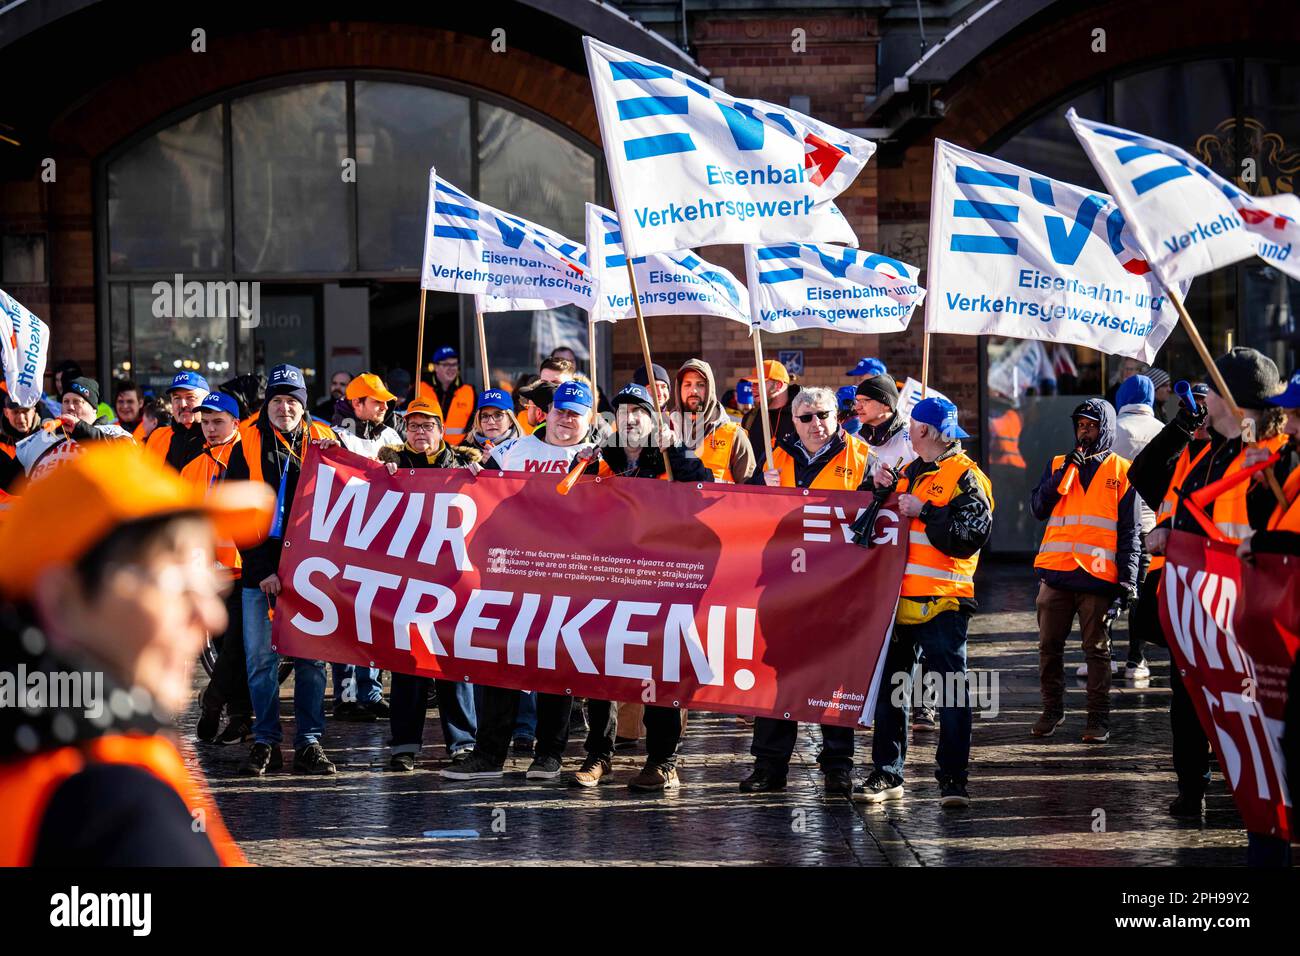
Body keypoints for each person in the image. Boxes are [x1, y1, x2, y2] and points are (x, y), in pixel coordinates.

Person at [0, 442, 271, 865]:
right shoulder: (112, 800)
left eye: (205, 584)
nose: (210, 616)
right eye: (173, 580)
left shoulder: (56, 750)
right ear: (62, 601)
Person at [1128, 348, 1288, 825]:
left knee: (1251, 713)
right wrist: (1182, 426)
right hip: (1199, 611)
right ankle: (1194, 789)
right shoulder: (1209, 450)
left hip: (1249, 615)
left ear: (1235, 401)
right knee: (1191, 701)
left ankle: (1260, 804)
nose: (1206, 398)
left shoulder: (1268, 458)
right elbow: (1154, 483)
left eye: (1213, 390)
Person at [441, 380, 603, 783]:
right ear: (547, 412)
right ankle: (489, 753)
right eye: (561, 411)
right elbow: (480, 485)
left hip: (565, 575)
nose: (566, 420)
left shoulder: (594, 457)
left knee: (554, 665)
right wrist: (470, 474)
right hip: (510, 569)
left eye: (575, 414)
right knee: (501, 658)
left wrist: (595, 466)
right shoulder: (518, 449)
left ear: (588, 419)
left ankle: (549, 754)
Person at [570, 383, 713, 792]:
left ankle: (663, 760)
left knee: (659, 668)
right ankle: (599, 754)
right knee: (599, 668)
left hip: (660, 582)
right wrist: (578, 465)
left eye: (639, 411)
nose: (630, 418)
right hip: (607, 579)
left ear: (654, 419)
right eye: (623, 411)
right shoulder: (600, 460)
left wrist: (680, 451)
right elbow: (562, 510)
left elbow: (702, 491)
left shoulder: (670, 457)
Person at [855, 397, 994, 808]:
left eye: (912, 426)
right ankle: (887, 772)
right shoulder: (908, 472)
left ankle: (953, 779)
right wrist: (877, 486)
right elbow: (866, 519)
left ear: (927, 432)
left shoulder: (969, 477)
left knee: (950, 693)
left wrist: (926, 510)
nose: (907, 432)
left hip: (944, 603)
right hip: (898, 604)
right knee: (892, 693)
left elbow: (969, 536)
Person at [741, 386, 872, 796]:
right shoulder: (776, 457)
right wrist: (763, 489)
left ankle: (837, 766)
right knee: (778, 674)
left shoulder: (862, 456)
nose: (817, 423)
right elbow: (747, 516)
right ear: (794, 422)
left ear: (838, 415)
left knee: (835, 676)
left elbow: (879, 520)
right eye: (807, 417)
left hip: (838, 586)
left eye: (824, 415)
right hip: (784, 585)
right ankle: (769, 766)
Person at [223, 364, 339, 776]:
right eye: (277, 400)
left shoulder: (325, 438)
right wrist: (260, 569)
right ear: (266, 404)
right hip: (262, 566)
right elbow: (233, 511)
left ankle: (309, 742)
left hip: (313, 569)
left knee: (311, 659)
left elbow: (360, 493)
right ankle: (266, 740)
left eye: (292, 401)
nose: (284, 408)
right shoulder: (246, 443)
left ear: (303, 406)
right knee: (260, 660)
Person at [365, 397, 482, 771]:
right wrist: (384, 472)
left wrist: (483, 475)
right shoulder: (394, 465)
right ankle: (404, 744)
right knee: (408, 664)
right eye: (413, 426)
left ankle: (462, 743)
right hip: (407, 582)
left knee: (453, 662)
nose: (419, 433)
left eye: (427, 426)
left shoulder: (463, 463)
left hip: (453, 582)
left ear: (440, 429)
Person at [1028, 399, 1139, 743]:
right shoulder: (1059, 464)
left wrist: (1127, 583)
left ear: (1104, 429)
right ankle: (1052, 710)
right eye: (1080, 426)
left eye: (1091, 425)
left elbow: (1130, 533)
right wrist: (1060, 477)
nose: (1085, 431)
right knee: (1049, 647)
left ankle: (1098, 718)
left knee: (1097, 650)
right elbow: (1038, 508)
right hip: (1057, 574)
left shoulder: (1123, 472)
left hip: (1096, 579)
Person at [180, 391, 254, 746]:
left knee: (239, 647)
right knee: (226, 648)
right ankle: (240, 718)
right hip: (210, 574)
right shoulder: (193, 467)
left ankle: (211, 699)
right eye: (205, 422)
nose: (209, 429)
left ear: (236, 423)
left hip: (247, 569)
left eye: (217, 422)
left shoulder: (250, 457)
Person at [1110, 374, 1166, 679]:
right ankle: (1136, 659)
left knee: (1104, 590)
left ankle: (1103, 656)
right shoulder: (1164, 431)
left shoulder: (1112, 430)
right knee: (1140, 594)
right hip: (1149, 526)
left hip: (1111, 525)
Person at [16, 377, 133, 481]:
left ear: (94, 409)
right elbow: (10, 480)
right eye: (66, 401)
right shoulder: (45, 436)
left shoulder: (113, 431)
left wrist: (80, 429)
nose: (70, 407)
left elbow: (130, 458)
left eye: (77, 402)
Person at [673, 359, 755, 483]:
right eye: (687, 384)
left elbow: (749, 492)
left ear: (710, 389)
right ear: (679, 389)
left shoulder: (734, 435)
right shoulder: (665, 429)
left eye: (700, 384)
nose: (693, 390)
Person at [145, 371, 209, 472]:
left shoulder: (217, 438)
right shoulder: (158, 436)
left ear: (206, 400)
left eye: (190, 397)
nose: (183, 404)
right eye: (177, 398)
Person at [740, 359, 801, 461]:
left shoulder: (803, 416)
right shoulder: (750, 418)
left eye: (758, 383)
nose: (753, 388)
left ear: (778, 385)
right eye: (753, 383)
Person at [429, 346, 477, 446]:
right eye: (446, 364)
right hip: (427, 450)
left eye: (454, 364)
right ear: (436, 366)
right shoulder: (419, 389)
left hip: (460, 451)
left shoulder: (470, 391)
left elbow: (475, 426)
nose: (451, 368)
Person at [0, 390, 44, 490]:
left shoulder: (48, 438)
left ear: (34, 411)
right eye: (15, 412)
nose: (21, 418)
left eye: (25, 411)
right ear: (6, 413)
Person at [467, 388, 522, 453]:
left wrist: (495, 462)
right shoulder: (466, 450)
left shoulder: (522, 450)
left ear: (511, 420)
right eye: (485, 416)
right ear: (478, 420)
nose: (491, 422)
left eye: (498, 415)